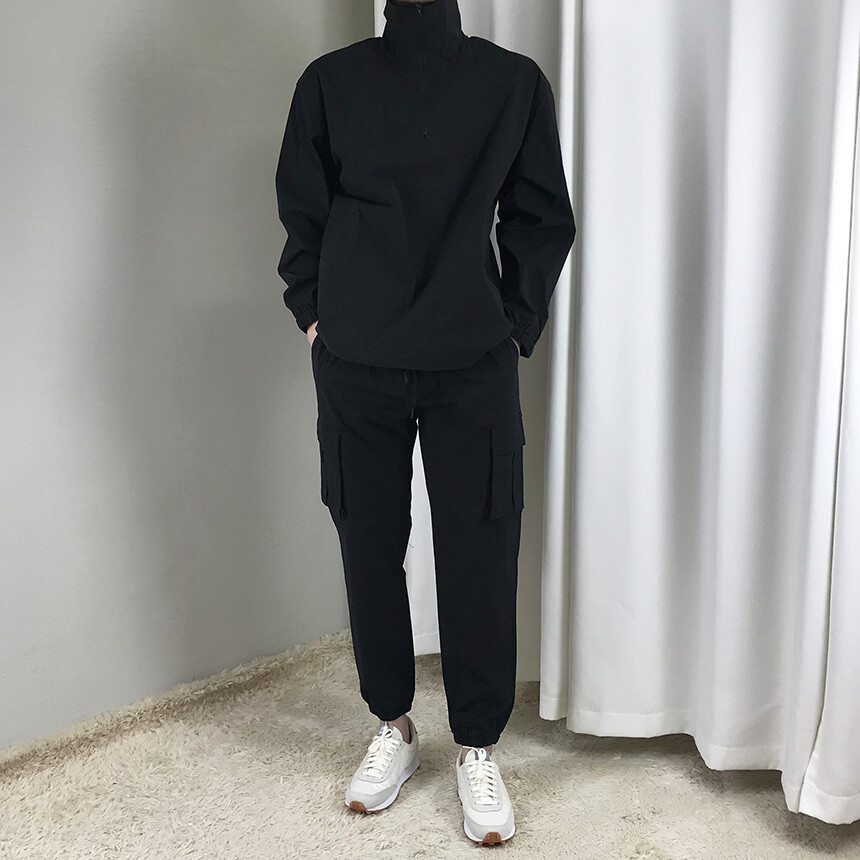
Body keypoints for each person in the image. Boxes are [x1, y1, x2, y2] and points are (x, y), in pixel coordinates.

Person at [275, 0, 575, 845]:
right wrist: (314, 313)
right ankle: (394, 726)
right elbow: (303, 208)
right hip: (357, 356)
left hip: (471, 356)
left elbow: (542, 215)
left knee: (481, 543)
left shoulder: (512, 84)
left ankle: (478, 743)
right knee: (367, 537)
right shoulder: (331, 83)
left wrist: (514, 323)